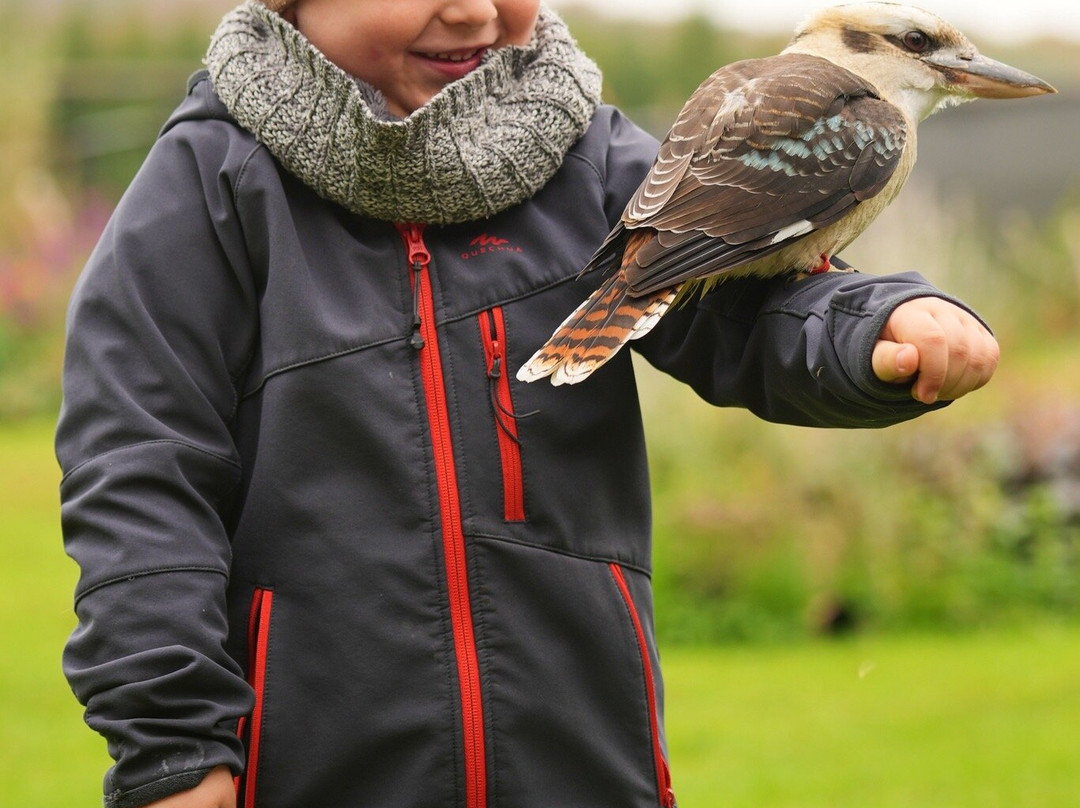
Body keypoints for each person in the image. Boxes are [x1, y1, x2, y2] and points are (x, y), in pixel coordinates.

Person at [56, 1, 999, 807]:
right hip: (312, 761)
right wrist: (173, 748)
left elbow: (733, 309)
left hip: (581, 754)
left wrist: (871, 323)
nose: (472, 9)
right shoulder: (210, 184)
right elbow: (139, 474)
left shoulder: (589, 157)